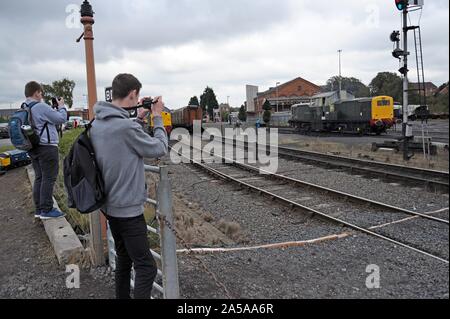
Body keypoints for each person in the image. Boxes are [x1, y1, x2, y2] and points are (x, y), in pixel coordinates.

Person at [90, 73, 168, 299]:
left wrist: (140, 119)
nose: (137, 102)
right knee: (146, 267)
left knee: (124, 260)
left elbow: (123, 139)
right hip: (128, 209)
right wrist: (157, 117)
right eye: (136, 98)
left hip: (109, 204)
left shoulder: (99, 121)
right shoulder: (125, 128)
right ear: (133, 94)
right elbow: (159, 148)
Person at [24, 81, 68, 220]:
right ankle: (47, 210)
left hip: (33, 148)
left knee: (39, 177)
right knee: (49, 178)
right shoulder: (40, 106)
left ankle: (39, 209)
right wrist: (61, 107)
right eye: (41, 93)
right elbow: (61, 118)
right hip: (47, 147)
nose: (41, 95)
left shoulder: (25, 107)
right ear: (36, 92)